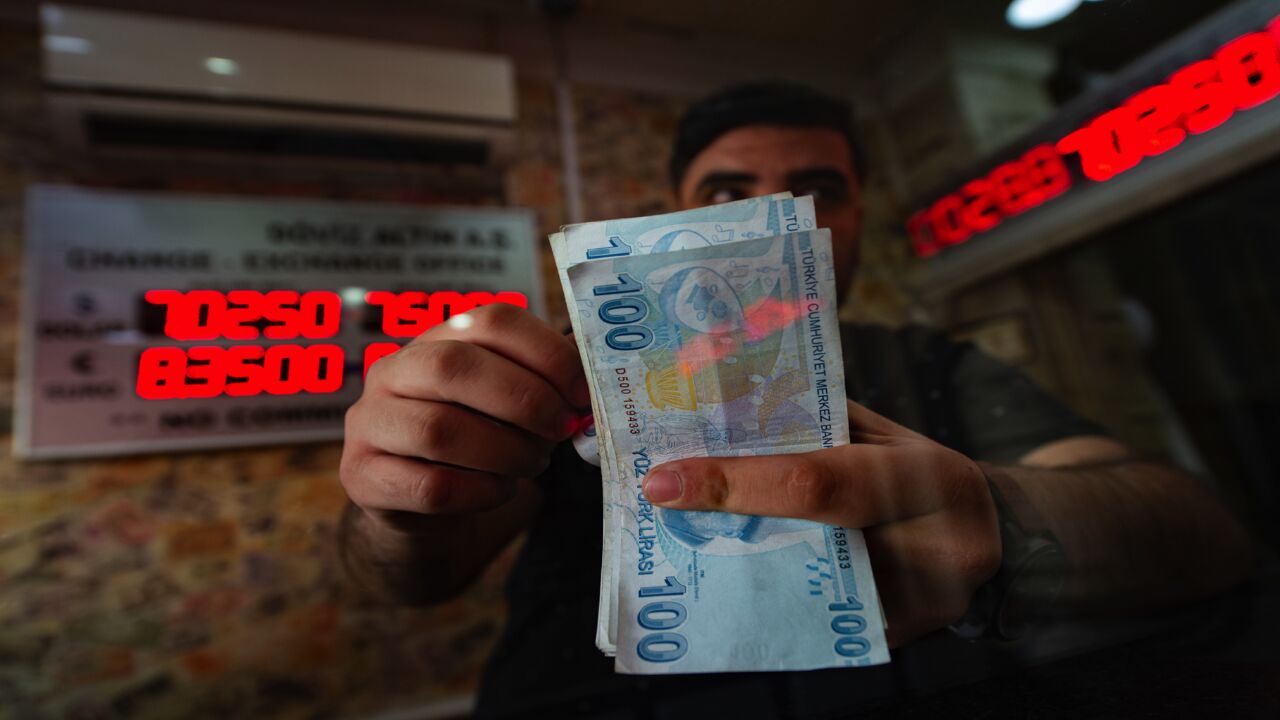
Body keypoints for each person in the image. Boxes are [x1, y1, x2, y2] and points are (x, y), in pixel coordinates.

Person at [337, 82, 1254, 718]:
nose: (774, 214)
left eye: (818, 189)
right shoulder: (583, 382)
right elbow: (416, 578)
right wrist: (402, 502)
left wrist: (999, 515)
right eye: (728, 191)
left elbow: (1201, 534)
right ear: (676, 211)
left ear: (855, 218)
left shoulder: (929, 364)